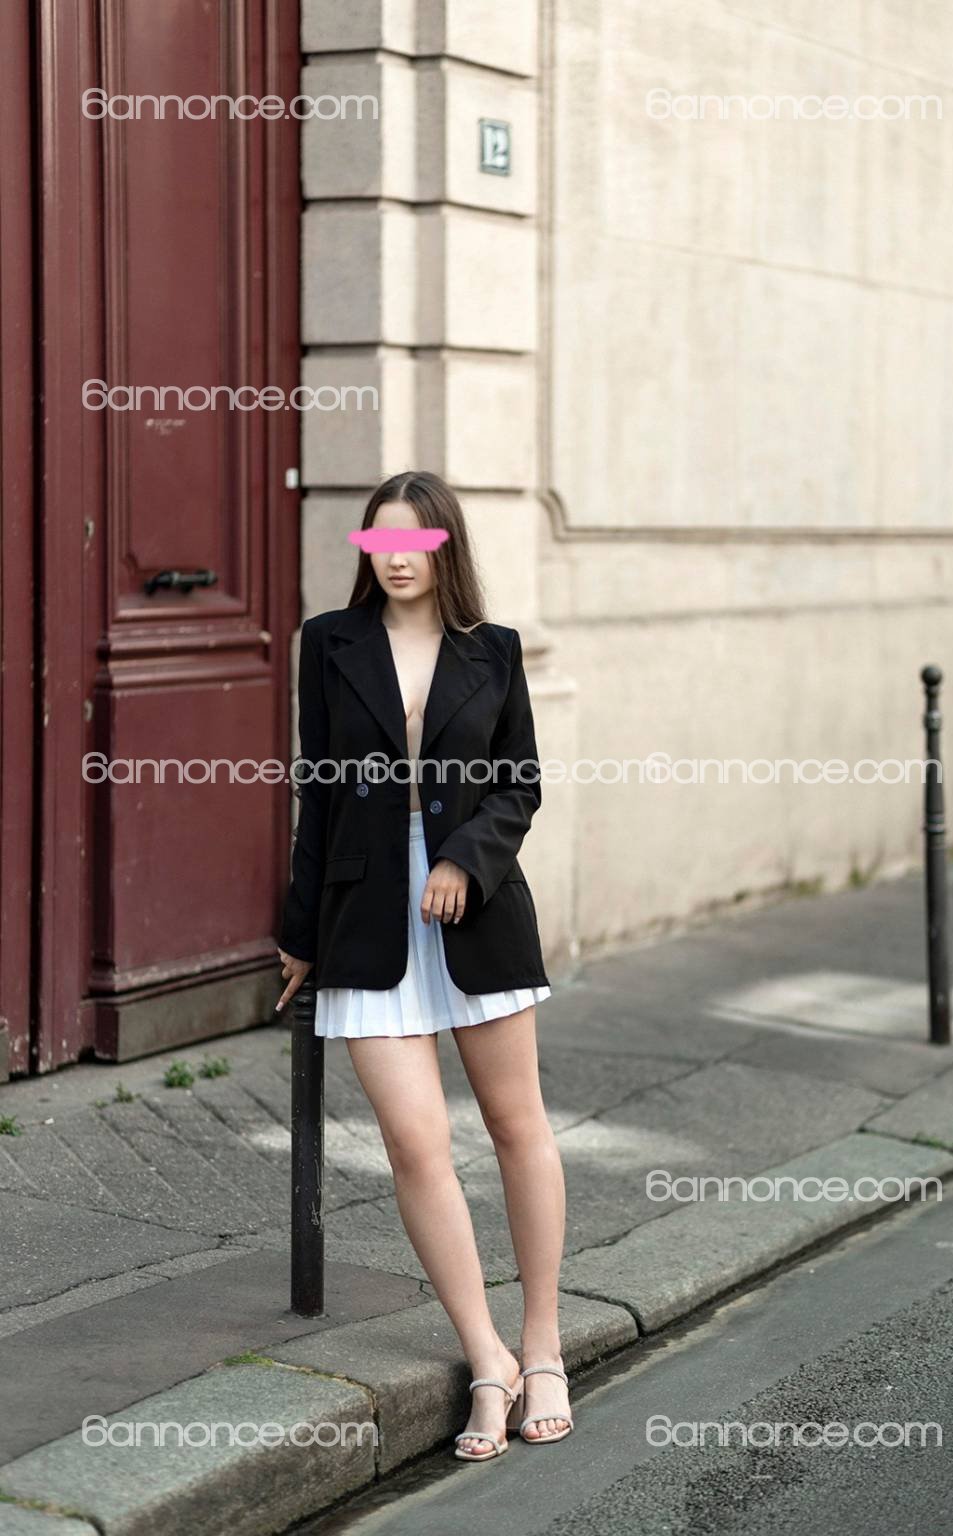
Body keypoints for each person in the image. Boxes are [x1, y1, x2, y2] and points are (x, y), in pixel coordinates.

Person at [275, 470, 573, 1460]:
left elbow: (518, 784)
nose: (397, 558)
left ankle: (543, 1346)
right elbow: (317, 792)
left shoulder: (494, 650)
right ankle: (487, 1358)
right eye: (380, 542)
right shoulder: (330, 643)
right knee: (414, 1144)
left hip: (475, 907)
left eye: (415, 542)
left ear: (446, 548)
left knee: (516, 1126)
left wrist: (463, 861)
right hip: (364, 914)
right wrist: (299, 931)